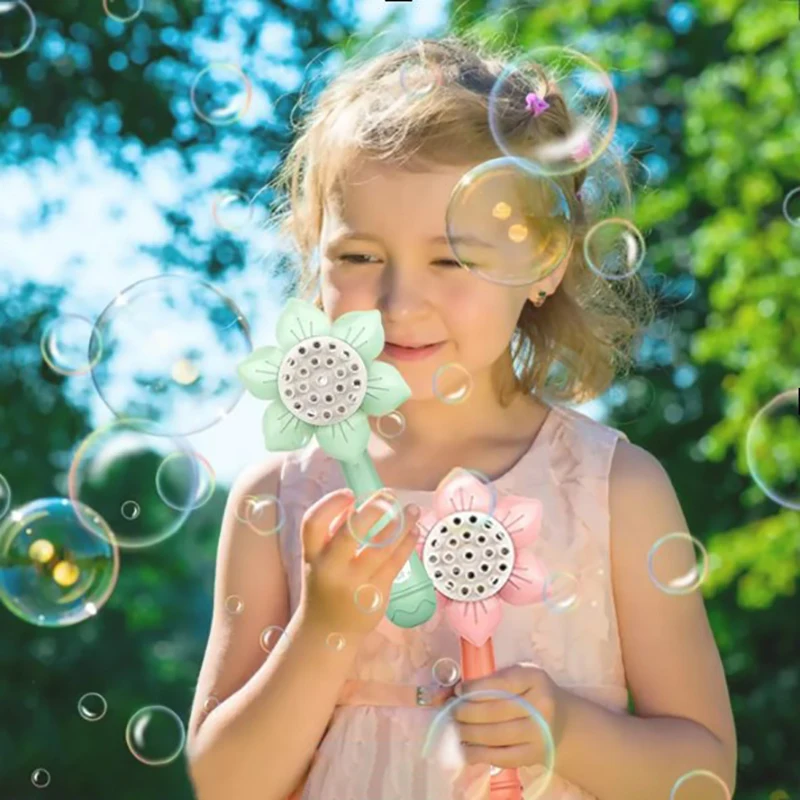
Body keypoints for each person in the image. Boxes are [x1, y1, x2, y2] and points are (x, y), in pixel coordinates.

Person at [185, 35, 737, 800]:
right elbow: (227, 784)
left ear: (545, 262)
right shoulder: (278, 497)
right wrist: (326, 624)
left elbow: (706, 776)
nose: (399, 301)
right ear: (313, 258)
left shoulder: (615, 489)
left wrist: (568, 732)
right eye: (358, 257)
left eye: (451, 260)